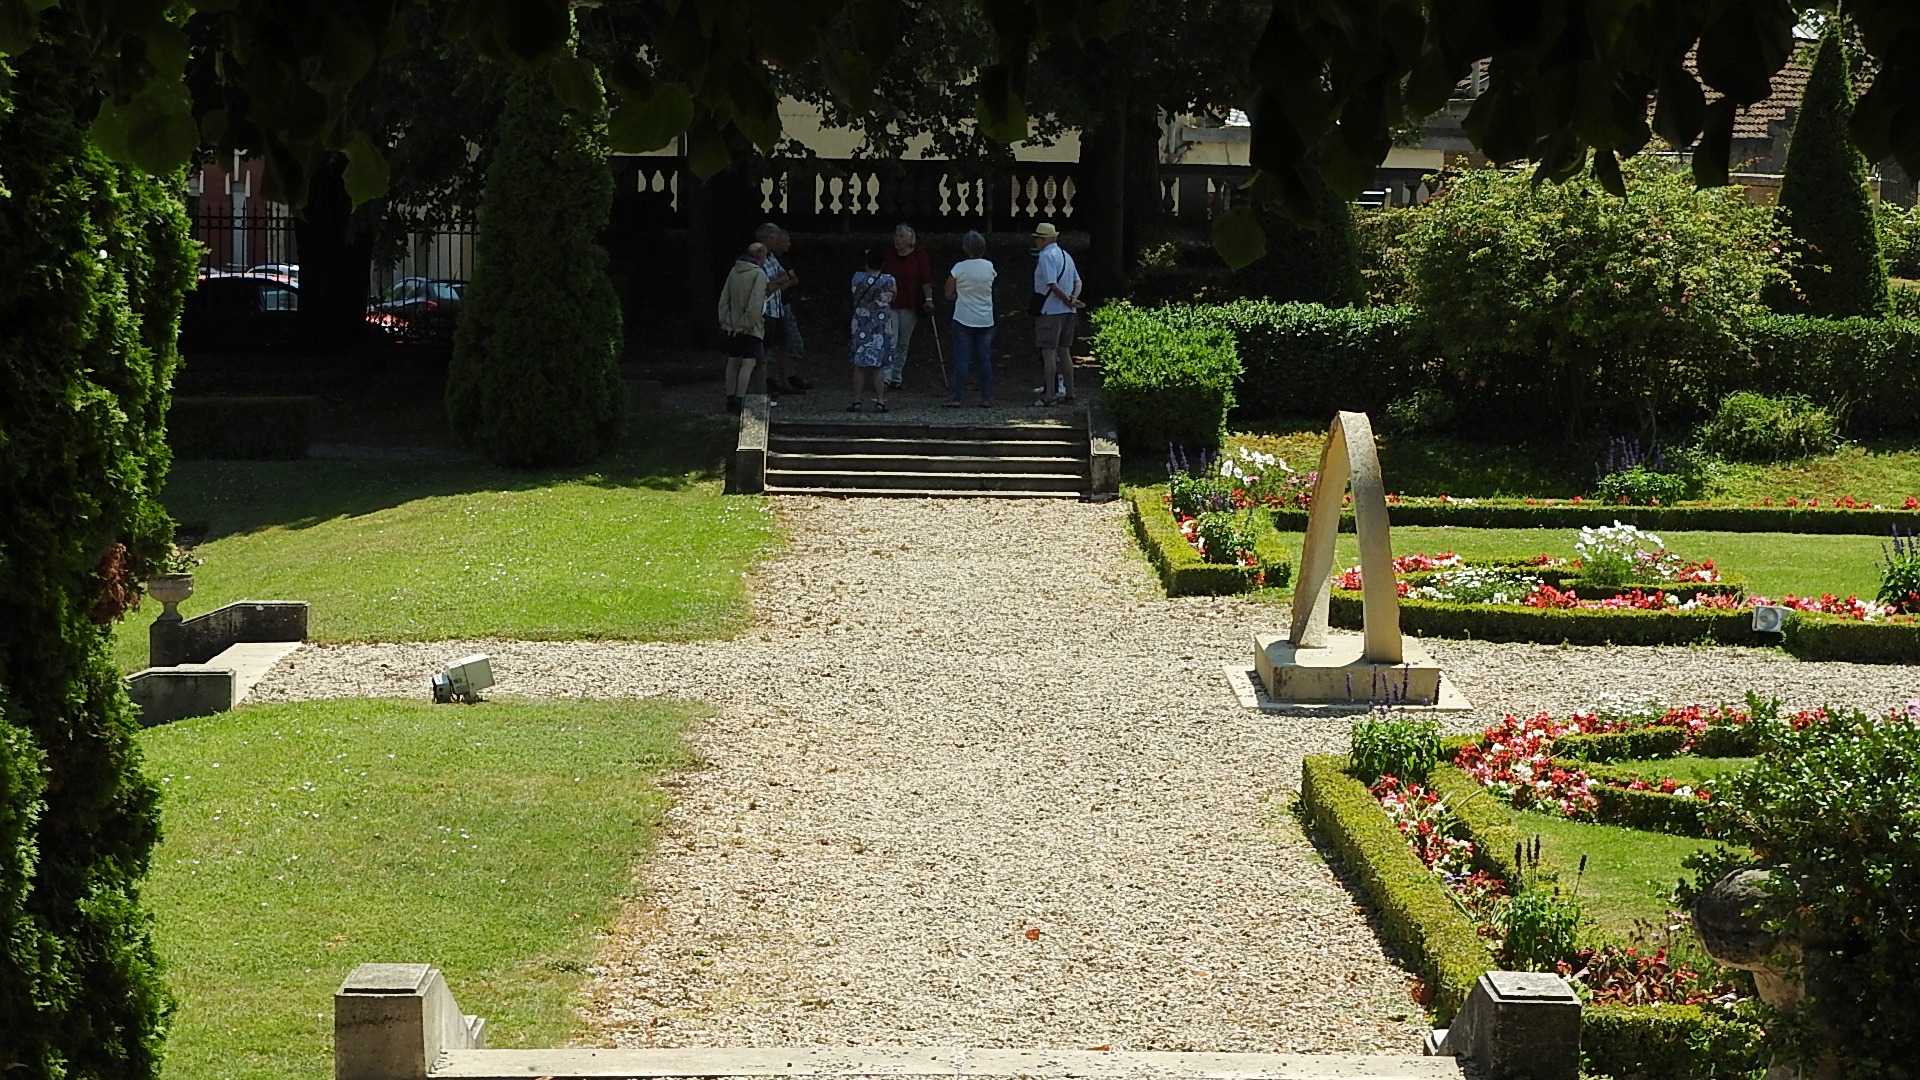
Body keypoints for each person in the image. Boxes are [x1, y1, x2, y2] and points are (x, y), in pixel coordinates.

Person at [1030, 221, 1084, 406]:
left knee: (1049, 352)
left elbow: (1051, 284)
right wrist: (1073, 300)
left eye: (1037, 238)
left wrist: (1066, 299)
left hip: (1050, 310)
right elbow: (1078, 281)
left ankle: (1050, 395)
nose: (1035, 241)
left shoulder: (1046, 256)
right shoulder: (1065, 255)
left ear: (1044, 239)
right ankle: (1070, 392)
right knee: (1065, 352)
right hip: (1069, 311)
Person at [879, 222, 935, 391]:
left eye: (901, 236)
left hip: (910, 303)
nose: (897, 239)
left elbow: (925, 279)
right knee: (891, 340)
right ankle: (886, 377)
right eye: (896, 236)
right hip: (891, 303)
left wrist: (929, 299)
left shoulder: (919, 254)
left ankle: (897, 376)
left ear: (910, 239)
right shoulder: (889, 255)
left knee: (903, 342)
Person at [943, 230, 996, 407]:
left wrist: (956, 295)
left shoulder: (959, 268)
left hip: (963, 317)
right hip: (986, 319)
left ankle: (957, 397)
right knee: (984, 359)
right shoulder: (989, 266)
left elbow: (948, 292)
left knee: (962, 359)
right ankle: (987, 397)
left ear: (966, 248)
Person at [717, 242, 768, 414]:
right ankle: (739, 398)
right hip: (750, 327)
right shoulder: (758, 275)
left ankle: (729, 397)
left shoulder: (734, 271)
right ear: (760, 257)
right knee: (748, 362)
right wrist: (746, 324)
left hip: (732, 325)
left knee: (732, 361)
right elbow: (755, 304)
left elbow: (724, 300)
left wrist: (727, 322)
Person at [756, 223, 806, 394]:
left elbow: (785, 276)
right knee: (766, 348)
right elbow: (765, 287)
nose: (778, 242)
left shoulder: (772, 258)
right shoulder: (758, 258)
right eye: (776, 238)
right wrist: (778, 283)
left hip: (777, 308)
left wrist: (776, 283)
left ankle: (785, 382)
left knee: (784, 344)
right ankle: (764, 382)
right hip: (765, 310)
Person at [848, 247, 896, 412]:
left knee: (859, 365)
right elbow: (893, 296)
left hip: (860, 324)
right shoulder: (889, 280)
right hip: (880, 326)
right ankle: (881, 401)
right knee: (878, 366)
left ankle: (856, 400)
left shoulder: (857, 278)